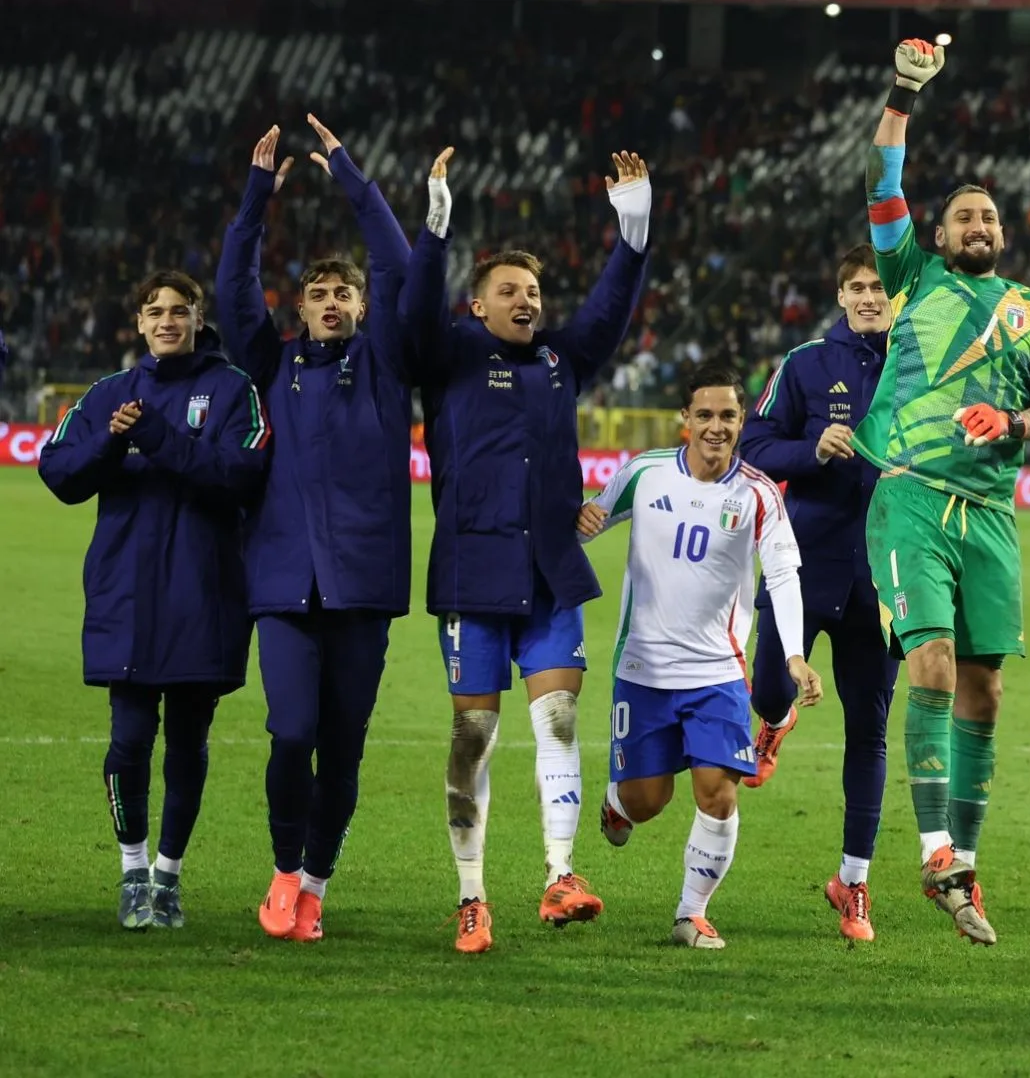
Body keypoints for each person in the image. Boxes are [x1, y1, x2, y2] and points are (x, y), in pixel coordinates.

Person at [404, 148, 655, 953]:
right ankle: (471, 896)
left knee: (557, 720)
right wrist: (437, 227)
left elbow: (608, 315)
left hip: (548, 573)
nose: (527, 301)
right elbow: (411, 317)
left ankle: (559, 874)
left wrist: (634, 230)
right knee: (473, 736)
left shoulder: (558, 362)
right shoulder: (446, 358)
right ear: (476, 307)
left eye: (535, 292)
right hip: (473, 574)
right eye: (510, 292)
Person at [853, 39, 1030, 946]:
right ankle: (935, 847)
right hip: (911, 494)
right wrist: (905, 91)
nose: (977, 226)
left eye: (988, 218)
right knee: (933, 666)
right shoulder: (913, 276)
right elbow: (882, 181)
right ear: (938, 238)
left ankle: (967, 871)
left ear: (1002, 235)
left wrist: (1013, 425)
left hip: (992, 513)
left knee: (986, 692)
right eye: (963, 218)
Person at [217, 117, 424, 943]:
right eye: (319, 293)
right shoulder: (271, 365)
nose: (333, 302)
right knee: (290, 730)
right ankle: (281, 868)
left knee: (342, 750)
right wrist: (256, 198)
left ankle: (316, 883)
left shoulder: (385, 364)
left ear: (362, 307)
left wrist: (348, 173)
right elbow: (234, 288)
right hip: (281, 582)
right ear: (298, 307)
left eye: (345, 293)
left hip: (364, 586)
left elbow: (401, 262)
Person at [37, 270, 270, 930]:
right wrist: (113, 440)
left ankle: (168, 877)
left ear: (199, 319)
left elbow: (242, 474)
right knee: (129, 740)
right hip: (127, 594)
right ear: (138, 323)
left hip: (205, 594)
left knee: (188, 743)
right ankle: (132, 870)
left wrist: (158, 437)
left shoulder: (233, 390)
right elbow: (58, 472)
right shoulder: (109, 393)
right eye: (154, 311)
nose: (167, 320)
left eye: (180, 310)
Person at [580, 361, 823, 950]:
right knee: (647, 800)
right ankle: (618, 802)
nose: (717, 427)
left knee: (719, 791)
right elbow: (588, 524)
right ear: (684, 418)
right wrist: (579, 519)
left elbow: (785, 574)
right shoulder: (645, 473)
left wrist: (793, 655)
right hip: (643, 671)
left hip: (717, 673)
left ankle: (691, 914)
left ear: (742, 421)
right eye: (706, 415)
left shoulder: (758, 493)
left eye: (729, 416)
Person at [738, 242, 901, 942]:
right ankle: (774, 722)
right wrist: (811, 452)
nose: (869, 297)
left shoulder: (919, 366)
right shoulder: (805, 363)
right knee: (766, 691)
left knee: (869, 734)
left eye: (880, 288)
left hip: (885, 579)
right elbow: (752, 444)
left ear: (896, 298)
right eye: (857, 287)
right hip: (800, 564)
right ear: (840, 296)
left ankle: (853, 882)